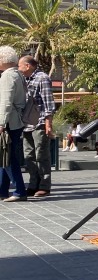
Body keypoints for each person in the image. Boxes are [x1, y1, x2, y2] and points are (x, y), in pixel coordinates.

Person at [18, 56, 55, 197]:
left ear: (27, 66)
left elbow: (48, 102)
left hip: (39, 122)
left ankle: (45, 186)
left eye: (20, 65)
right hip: (25, 123)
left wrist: (48, 123)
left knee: (41, 154)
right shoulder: (24, 79)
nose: (18, 68)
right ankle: (33, 184)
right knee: (29, 156)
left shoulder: (42, 78)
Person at [0, 47, 29, 202]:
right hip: (15, 121)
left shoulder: (7, 76)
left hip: (9, 122)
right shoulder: (18, 75)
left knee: (8, 157)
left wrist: (1, 123)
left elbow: (5, 101)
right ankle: (3, 190)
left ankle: (19, 190)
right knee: (4, 157)